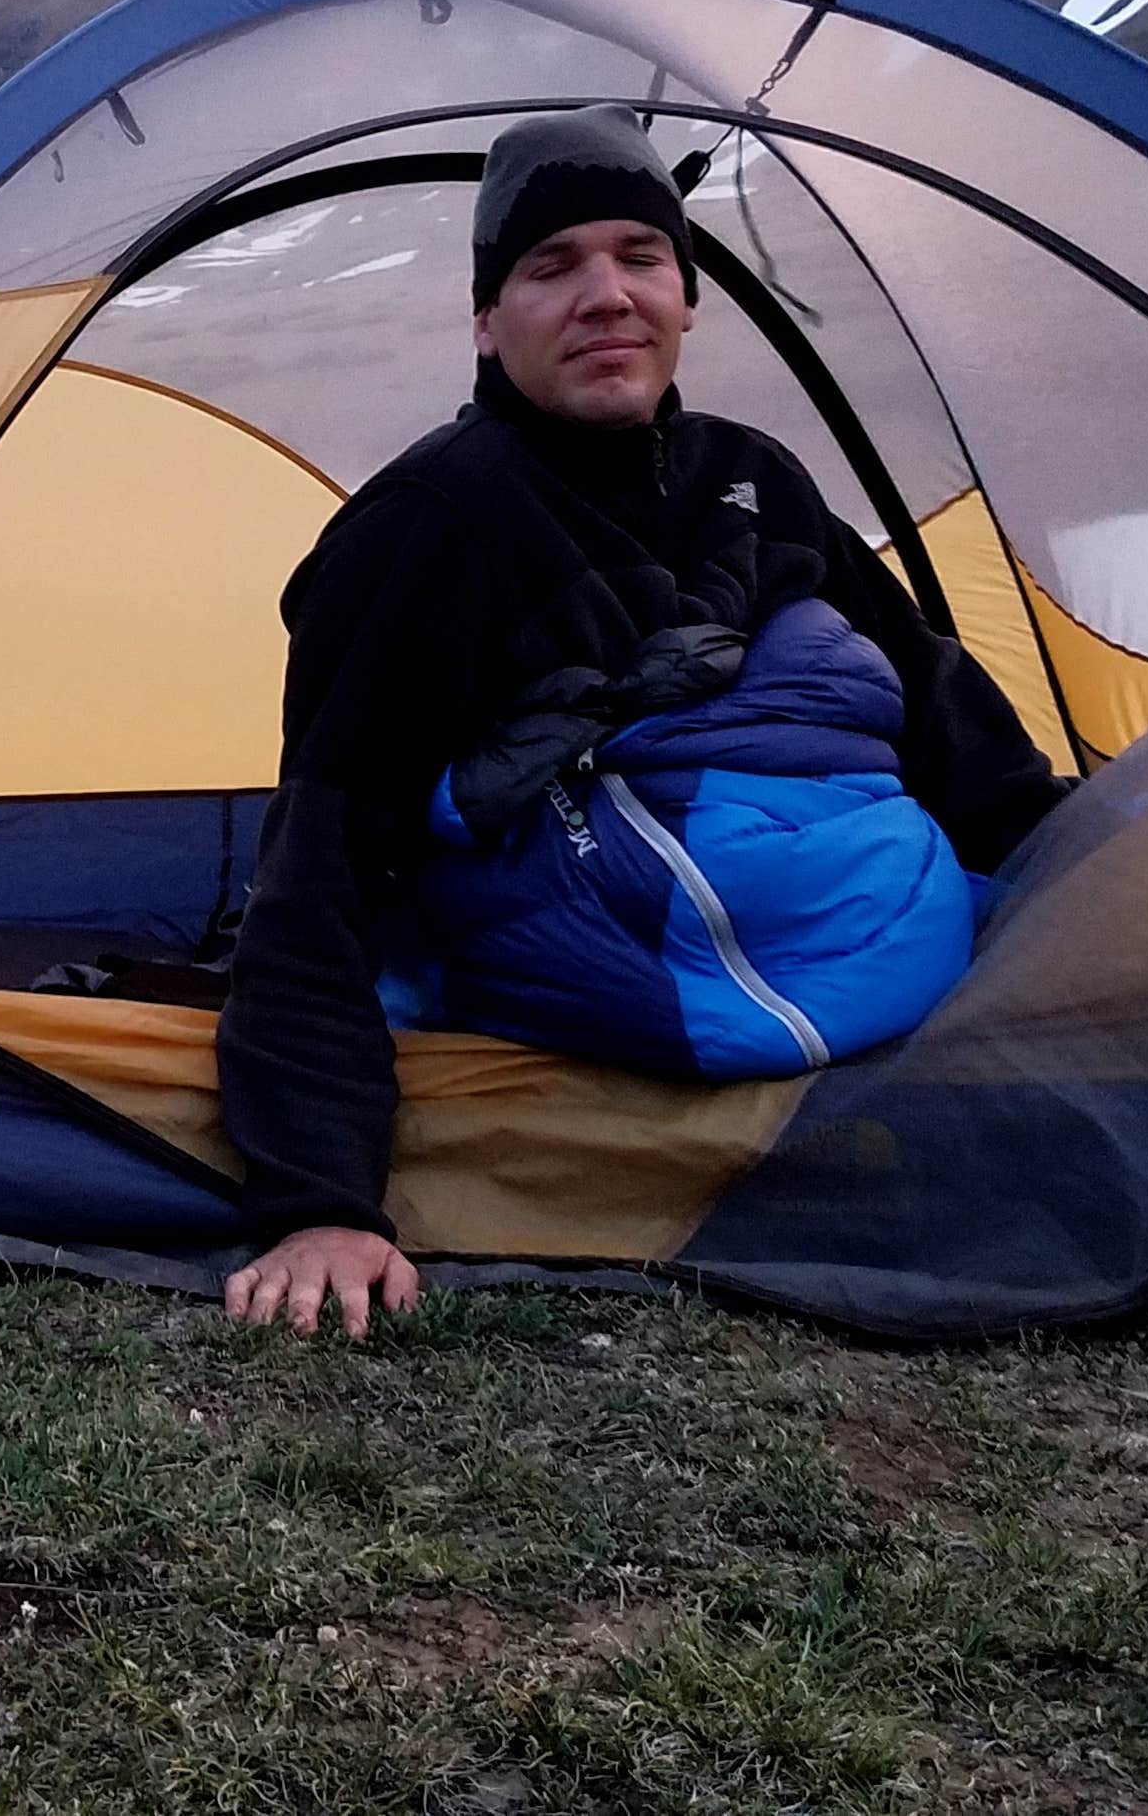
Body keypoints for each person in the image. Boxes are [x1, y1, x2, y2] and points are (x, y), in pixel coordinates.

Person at [216, 105, 1072, 1337]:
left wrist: (1097, 877)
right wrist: (321, 1200)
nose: (607, 295)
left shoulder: (753, 475)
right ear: (484, 319)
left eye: (641, 257)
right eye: (551, 267)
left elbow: (946, 727)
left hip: (842, 940)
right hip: (609, 963)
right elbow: (324, 859)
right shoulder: (433, 522)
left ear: (685, 296)